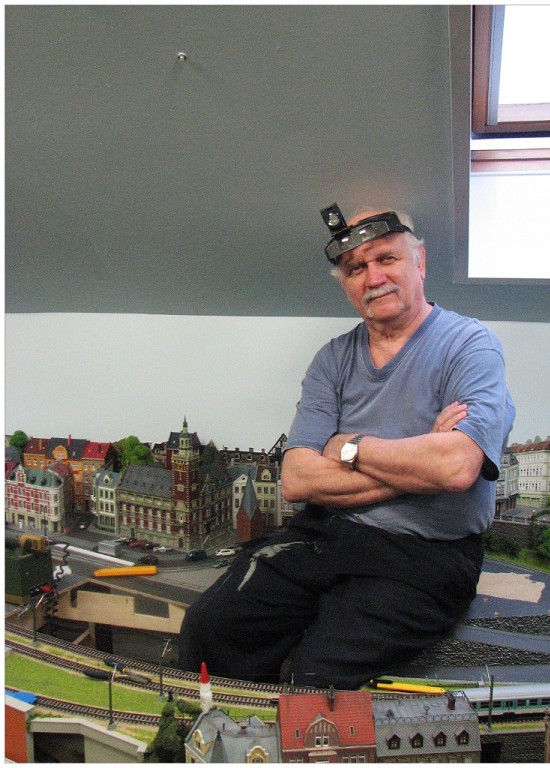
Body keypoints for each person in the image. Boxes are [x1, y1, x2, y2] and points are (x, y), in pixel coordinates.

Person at [178, 203, 515, 690]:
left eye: (386, 259)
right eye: (356, 268)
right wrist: (420, 466)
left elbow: (457, 468)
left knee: (319, 675)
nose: (373, 277)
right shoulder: (332, 360)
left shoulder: (470, 346)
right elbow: (298, 480)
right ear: (345, 284)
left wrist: (348, 445)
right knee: (209, 628)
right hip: (326, 534)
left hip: (427, 554)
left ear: (419, 263)